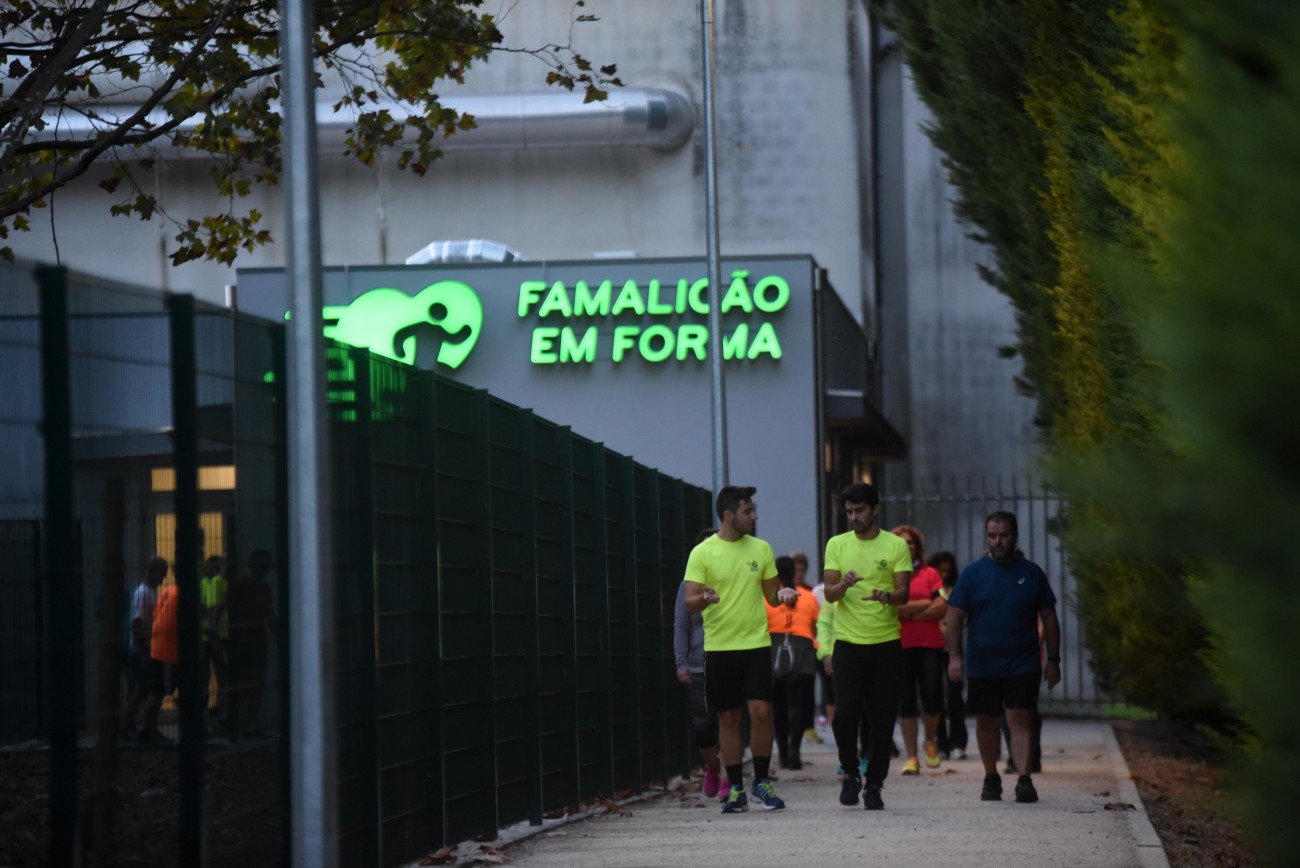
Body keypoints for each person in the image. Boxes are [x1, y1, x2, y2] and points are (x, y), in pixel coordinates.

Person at [683, 485, 798, 814]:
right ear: (728, 515)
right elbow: (689, 601)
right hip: (719, 647)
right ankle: (735, 788)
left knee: (761, 711)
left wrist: (783, 595)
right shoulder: (702, 552)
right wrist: (704, 598)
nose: (754, 516)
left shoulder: (761, 549)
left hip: (756, 645)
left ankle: (761, 782)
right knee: (729, 717)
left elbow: (771, 595)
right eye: (748, 511)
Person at [946, 510, 1060, 804]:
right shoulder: (973, 573)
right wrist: (955, 657)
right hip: (982, 662)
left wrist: (1053, 660)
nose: (998, 541)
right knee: (987, 720)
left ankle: (1024, 779)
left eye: (1004, 535)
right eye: (992, 536)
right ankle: (990, 775)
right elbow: (955, 616)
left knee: (1021, 717)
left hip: (1022, 661)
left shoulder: (1031, 573)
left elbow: (1049, 617)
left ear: (1015, 536)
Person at [821, 482, 911, 810]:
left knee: (882, 719)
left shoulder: (896, 545)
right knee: (845, 715)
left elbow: (903, 594)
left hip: (885, 643)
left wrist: (887, 596)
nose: (854, 517)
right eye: (849, 512)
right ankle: (850, 773)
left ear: (874, 510)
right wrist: (843, 584)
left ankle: (874, 782)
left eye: (859, 511)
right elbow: (829, 593)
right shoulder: (837, 544)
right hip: (848, 643)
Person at [674, 527, 729, 801]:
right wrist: (681, 662)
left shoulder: (732, 579)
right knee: (702, 730)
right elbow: (681, 625)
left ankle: (729, 778)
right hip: (699, 664)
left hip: (729, 657)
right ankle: (713, 765)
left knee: (729, 720)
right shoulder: (687, 586)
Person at [891, 525, 948, 775]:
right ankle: (912, 756)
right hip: (900, 644)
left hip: (930, 645)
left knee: (933, 697)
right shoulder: (889, 576)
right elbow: (891, 609)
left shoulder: (930, 574)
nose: (907, 546)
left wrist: (910, 613)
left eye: (911, 542)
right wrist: (924, 604)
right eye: (902, 542)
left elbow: (942, 606)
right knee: (906, 702)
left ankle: (930, 740)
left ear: (918, 547)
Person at [766, 555, 819, 770]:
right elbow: (814, 628)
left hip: (775, 652)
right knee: (798, 706)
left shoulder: (768, 599)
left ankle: (783, 753)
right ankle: (794, 750)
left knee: (779, 707)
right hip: (803, 652)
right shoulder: (808, 597)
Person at [226, 549, 277, 740]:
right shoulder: (241, 586)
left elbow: (269, 615)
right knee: (250, 682)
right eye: (264, 566)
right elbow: (222, 607)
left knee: (256, 683)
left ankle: (246, 721)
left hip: (256, 641)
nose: (266, 570)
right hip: (243, 641)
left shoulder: (263, 588)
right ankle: (230, 714)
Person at [121, 556, 171, 743]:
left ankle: (141, 729)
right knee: (141, 692)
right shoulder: (143, 593)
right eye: (162, 573)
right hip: (143, 651)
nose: (164, 578)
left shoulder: (149, 592)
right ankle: (126, 729)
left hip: (148, 649)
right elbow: (137, 623)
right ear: (152, 571)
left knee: (144, 691)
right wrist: (144, 652)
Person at [929, 551, 968, 760]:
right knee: (934, 696)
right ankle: (941, 742)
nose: (943, 574)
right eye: (940, 570)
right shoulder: (929, 589)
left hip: (953, 647)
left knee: (954, 695)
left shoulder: (956, 589)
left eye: (947, 570)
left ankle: (958, 742)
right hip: (933, 646)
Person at [791, 551, 823, 747]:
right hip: (788, 645)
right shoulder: (781, 591)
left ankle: (809, 727)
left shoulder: (811, 592)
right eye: (796, 570)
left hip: (810, 645)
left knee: (808, 688)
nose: (799, 573)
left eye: (802, 570)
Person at [199, 554, 230, 721]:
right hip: (218, 635)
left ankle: (207, 710)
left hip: (207, 635)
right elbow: (215, 608)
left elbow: (204, 608)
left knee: (207, 675)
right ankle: (219, 710)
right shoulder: (220, 582)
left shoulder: (204, 583)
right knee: (221, 674)